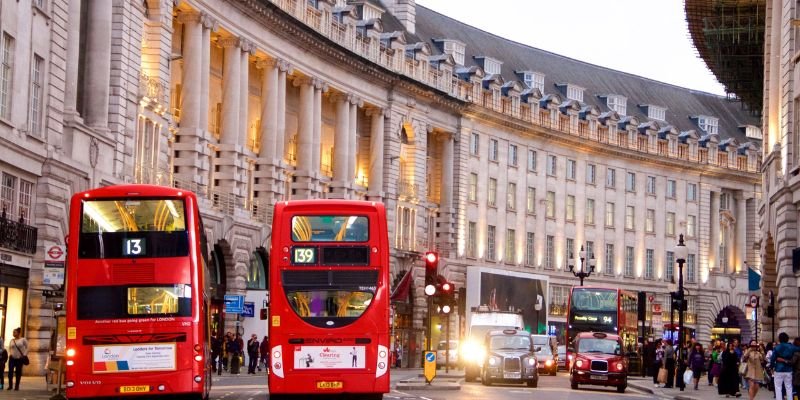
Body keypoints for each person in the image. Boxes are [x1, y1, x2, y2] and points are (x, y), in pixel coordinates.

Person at [772, 332, 796, 400]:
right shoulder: (791, 347)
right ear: (787, 339)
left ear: (779, 339)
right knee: (789, 387)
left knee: (778, 387)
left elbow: (773, 359)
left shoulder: (777, 347)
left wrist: (772, 367)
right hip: (788, 369)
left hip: (778, 369)